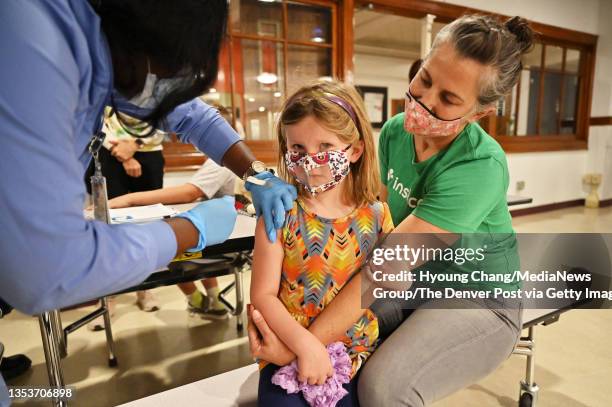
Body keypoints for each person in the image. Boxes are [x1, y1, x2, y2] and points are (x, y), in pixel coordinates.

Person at [0, 1, 295, 404]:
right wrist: (190, 231)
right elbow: (44, 270)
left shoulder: (99, 42)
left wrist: (254, 171)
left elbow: (192, 115)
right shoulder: (32, 46)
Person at [247, 14, 533, 406]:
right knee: (329, 325)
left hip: (476, 297)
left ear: (479, 113)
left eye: (449, 99)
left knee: (383, 387)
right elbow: (370, 216)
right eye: (426, 79)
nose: (425, 102)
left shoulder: (480, 166)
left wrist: (300, 347)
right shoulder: (398, 131)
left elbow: (386, 265)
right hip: (414, 283)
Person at [251, 80, 394, 406]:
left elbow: (389, 280)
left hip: (355, 359)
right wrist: (305, 347)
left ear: (355, 150)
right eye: (298, 149)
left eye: (325, 147)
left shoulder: (378, 217)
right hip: (285, 353)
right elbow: (263, 295)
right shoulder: (279, 214)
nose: (309, 160)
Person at [106, 158, 237, 320]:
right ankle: (214, 300)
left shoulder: (221, 160)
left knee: (169, 245)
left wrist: (128, 199)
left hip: (223, 238)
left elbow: (190, 193)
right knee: (191, 234)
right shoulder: (222, 159)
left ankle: (196, 300)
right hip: (218, 228)